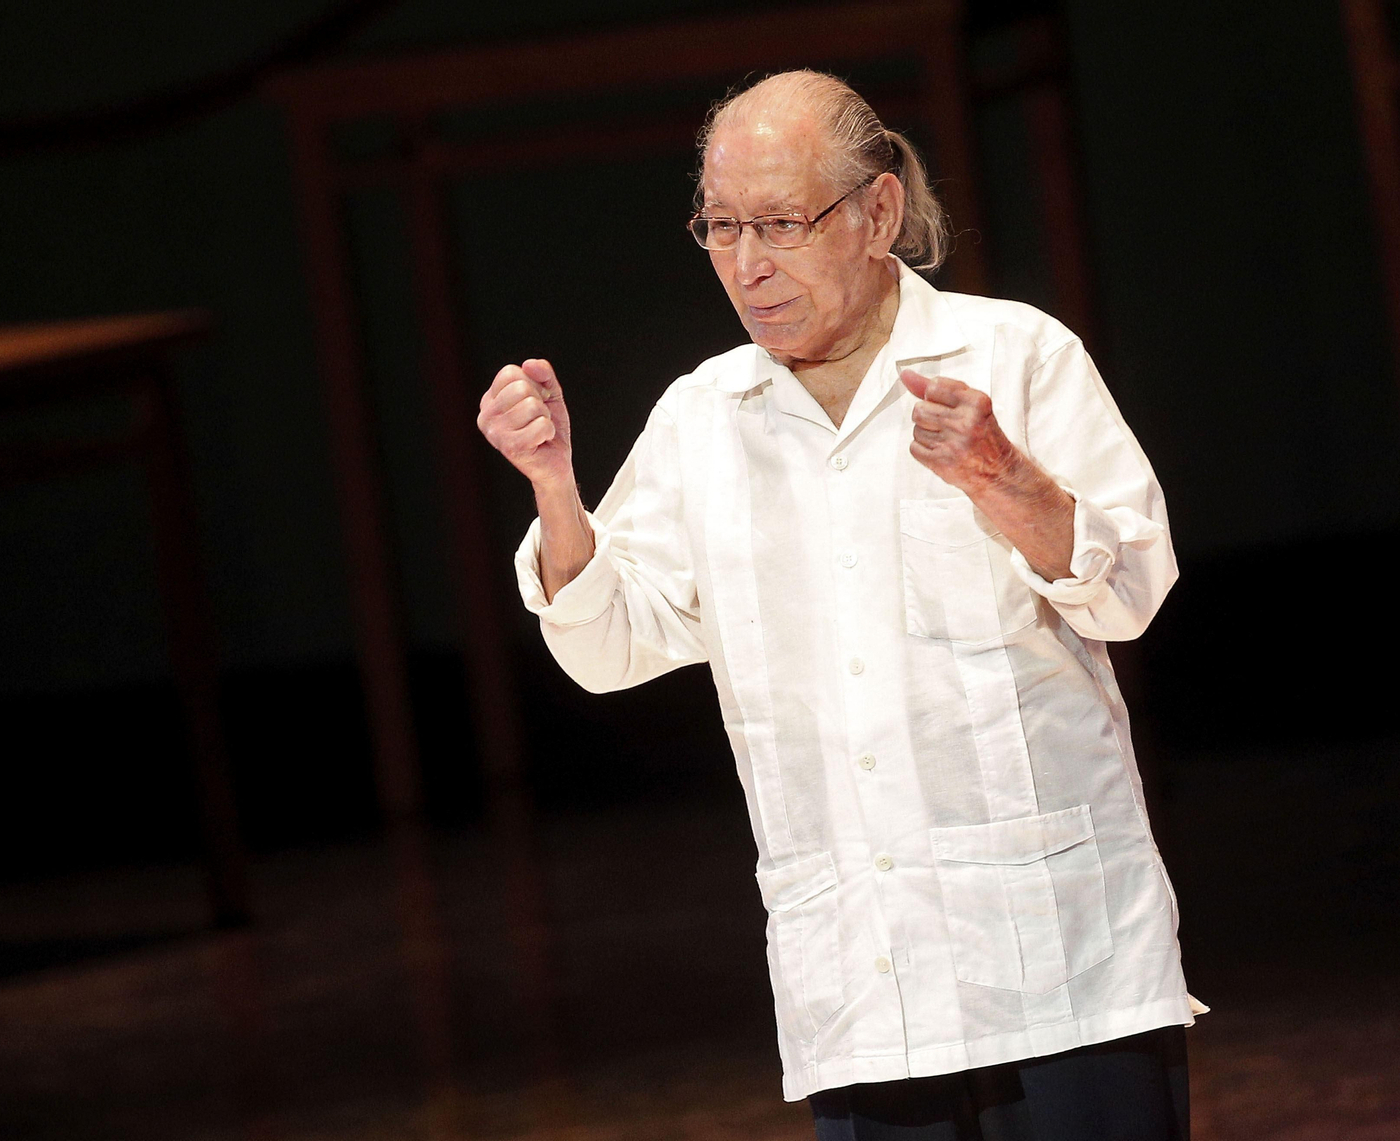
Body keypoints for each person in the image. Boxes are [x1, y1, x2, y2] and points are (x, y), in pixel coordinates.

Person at [476, 70, 1201, 1141]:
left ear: (876, 213)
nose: (747, 264)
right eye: (720, 227)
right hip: (863, 982)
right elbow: (610, 643)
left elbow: (1132, 590)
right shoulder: (704, 418)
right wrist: (552, 486)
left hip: (1061, 964)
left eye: (778, 223)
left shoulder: (1013, 355)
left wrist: (1005, 476)